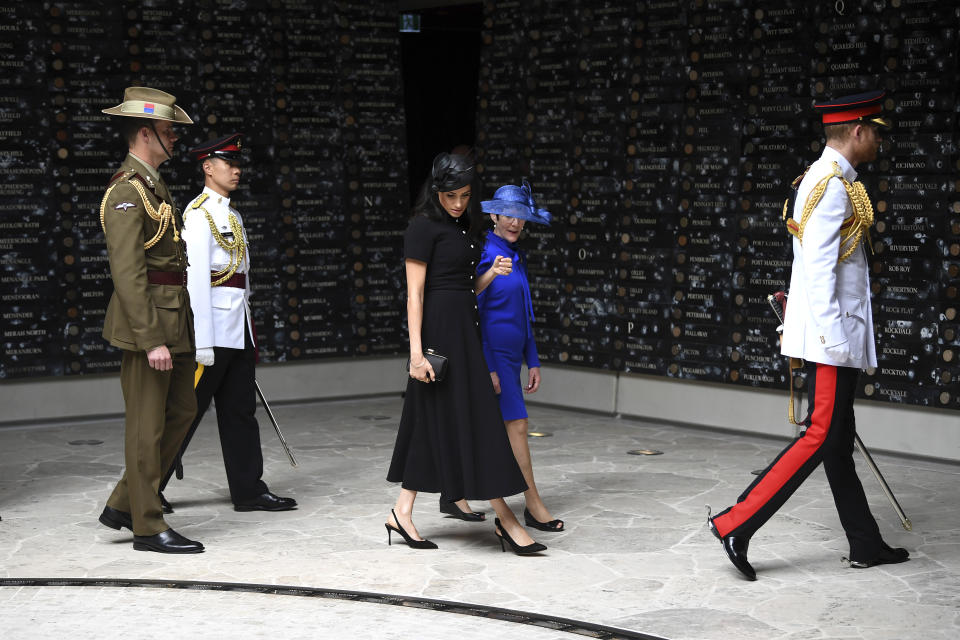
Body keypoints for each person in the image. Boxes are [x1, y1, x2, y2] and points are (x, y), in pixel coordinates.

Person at [707, 90, 909, 579]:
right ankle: (736, 523)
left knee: (837, 441)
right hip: (830, 340)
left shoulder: (832, 179)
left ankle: (864, 542)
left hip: (834, 336)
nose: (880, 139)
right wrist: (839, 345)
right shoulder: (831, 186)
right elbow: (818, 272)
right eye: (876, 131)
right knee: (821, 435)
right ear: (857, 131)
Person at [386, 152, 546, 555]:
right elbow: (416, 294)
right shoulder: (421, 228)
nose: (458, 203)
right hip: (439, 336)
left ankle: (402, 511)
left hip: (465, 332)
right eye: (450, 195)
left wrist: (490, 274)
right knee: (480, 422)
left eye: (465, 196)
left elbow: (465, 288)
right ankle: (507, 520)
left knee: (432, 422)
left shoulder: (462, 228)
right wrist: (416, 355)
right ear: (436, 190)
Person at [158, 134, 297, 513]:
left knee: (240, 413)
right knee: (185, 415)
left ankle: (249, 490)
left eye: (238, 163)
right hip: (212, 334)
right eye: (228, 163)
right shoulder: (197, 214)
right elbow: (196, 282)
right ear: (207, 167)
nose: (236, 170)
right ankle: (147, 489)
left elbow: (242, 281)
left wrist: (249, 332)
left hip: (237, 329)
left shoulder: (232, 215)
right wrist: (200, 342)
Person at [96, 86, 203, 553]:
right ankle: (147, 525)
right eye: (167, 132)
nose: (174, 139)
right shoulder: (126, 191)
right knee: (147, 427)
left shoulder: (153, 186)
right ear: (145, 134)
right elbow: (128, 273)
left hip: (172, 319)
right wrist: (150, 339)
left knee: (183, 410)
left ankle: (125, 500)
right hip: (150, 328)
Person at [477, 181, 563, 532]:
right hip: (495, 357)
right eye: (508, 215)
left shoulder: (515, 257)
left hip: (514, 357)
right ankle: (532, 502)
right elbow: (474, 316)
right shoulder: (486, 254)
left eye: (521, 217)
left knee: (493, 429)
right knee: (517, 426)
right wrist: (490, 367)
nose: (515, 223)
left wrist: (535, 359)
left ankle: (453, 496)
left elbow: (522, 313)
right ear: (494, 215)